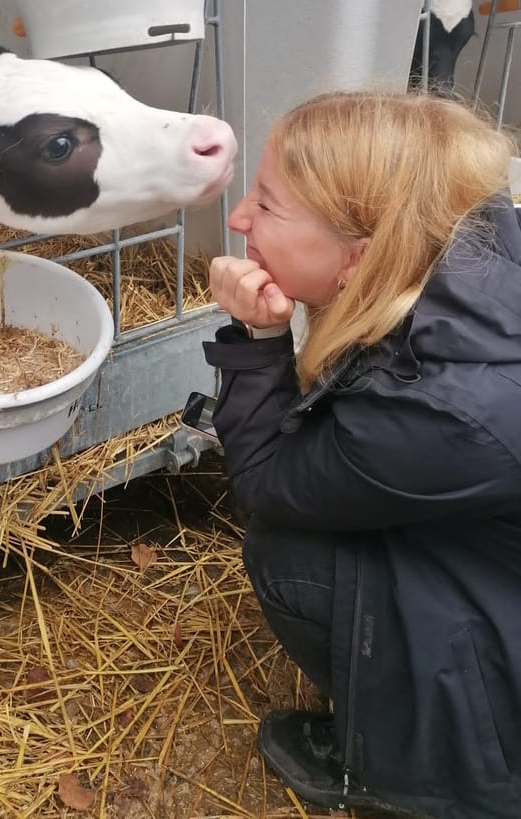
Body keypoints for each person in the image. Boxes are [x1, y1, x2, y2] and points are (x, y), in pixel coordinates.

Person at [202, 91, 521, 819]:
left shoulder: (444, 407)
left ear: (360, 253)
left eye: (269, 205)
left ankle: (426, 764)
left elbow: (268, 479)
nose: (240, 218)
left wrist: (254, 338)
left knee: (288, 557)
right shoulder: (471, 251)